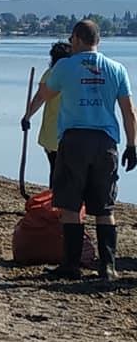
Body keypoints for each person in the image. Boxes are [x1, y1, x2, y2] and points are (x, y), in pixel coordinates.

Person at [21, 20, 137, 281]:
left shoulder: (64, 66)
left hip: (74, 140)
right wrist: (132, 145)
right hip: (106, 142)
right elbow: (129, 111)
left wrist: (29, 112)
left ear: (76, 39)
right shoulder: (117, 69)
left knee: (71, 204)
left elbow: (45, 95)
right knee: (105, 207)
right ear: (99, 40)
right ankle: (108, 267)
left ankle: (71, 265)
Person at [24, 42, 73, 188]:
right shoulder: (77, 73)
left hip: (54, 132)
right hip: (74, 131)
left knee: (56, 169)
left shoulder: (51, 74)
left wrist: (27, 116)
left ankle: (56, 202)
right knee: (70, 172)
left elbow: (40, 97)